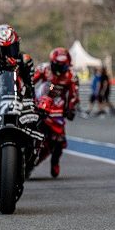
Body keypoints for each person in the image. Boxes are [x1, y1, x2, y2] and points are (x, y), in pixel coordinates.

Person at [33, 47, 79, 177]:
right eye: (57, 65)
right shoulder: (44, 69)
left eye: (63, 66)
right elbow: (29, 81)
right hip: (39, 101)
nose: (59, 69)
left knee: (60, 140)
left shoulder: (72, 75)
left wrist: (71, 108)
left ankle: (55, 161)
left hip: (57, 106)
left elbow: (74, 94)